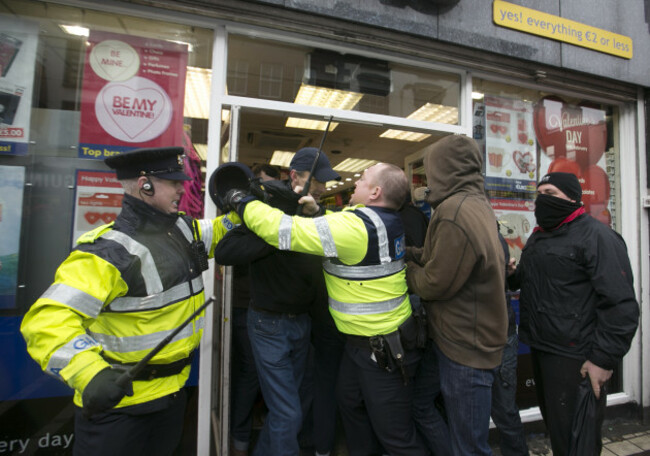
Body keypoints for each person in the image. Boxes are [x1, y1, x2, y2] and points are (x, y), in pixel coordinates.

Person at [20, 147, 239, 456]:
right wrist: (89, 372)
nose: (182, 188)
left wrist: (248, 209)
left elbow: (217, 231)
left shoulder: (180, 228)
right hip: (122, 410)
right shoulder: (110, 252)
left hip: (172, 396)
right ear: (144, 185)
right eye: (173, 181)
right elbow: (46, 319)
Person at [224, 162, 428, 456]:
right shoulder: (384, 219)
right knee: (350, 406)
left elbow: (283, 229)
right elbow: (342, 222)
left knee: (397, 438)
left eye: (363, 178)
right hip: (365, 345)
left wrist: (241, 200)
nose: (356, 182)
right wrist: (318, 213)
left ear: (375, 191)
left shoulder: (355, 228)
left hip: (381, 353)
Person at [214, 148, 340, 456]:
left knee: (296, 404)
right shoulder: (267, 204)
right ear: (295, 176)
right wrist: (281, 233)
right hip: (269, 322)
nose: (324, 188)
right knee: (288, 413)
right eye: (319, 181)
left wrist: (315, 216)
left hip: (302, 321)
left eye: (326, 182)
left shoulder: (311, 208)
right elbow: (225, 251)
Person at [508, 172, 639, 456]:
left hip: (576, 358)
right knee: (559, 435)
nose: (542, 199)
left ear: (572, 197)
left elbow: (622, 305)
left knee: (578, 441)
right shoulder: (540, 236)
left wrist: (602, 360)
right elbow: (530, 278)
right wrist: (511, 275)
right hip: (543, 349)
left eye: (551, 193)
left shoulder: (598, 237)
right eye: (539, 193)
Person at [405, 134, 507, 456]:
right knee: (423, 404)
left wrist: (404, 272)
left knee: (471, 447)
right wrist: (410, 252)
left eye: (430, 168)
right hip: (461, 340)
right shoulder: (477, 204)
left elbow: (435, 281)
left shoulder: (453, 211)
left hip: (465, 349)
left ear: (442, 169)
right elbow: (446, 257)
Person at [492, 228, 529, 456]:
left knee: (504, 410)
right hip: (497, 333)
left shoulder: (488, 235)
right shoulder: (491, 234)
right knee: (504, 410)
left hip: (498, 334)